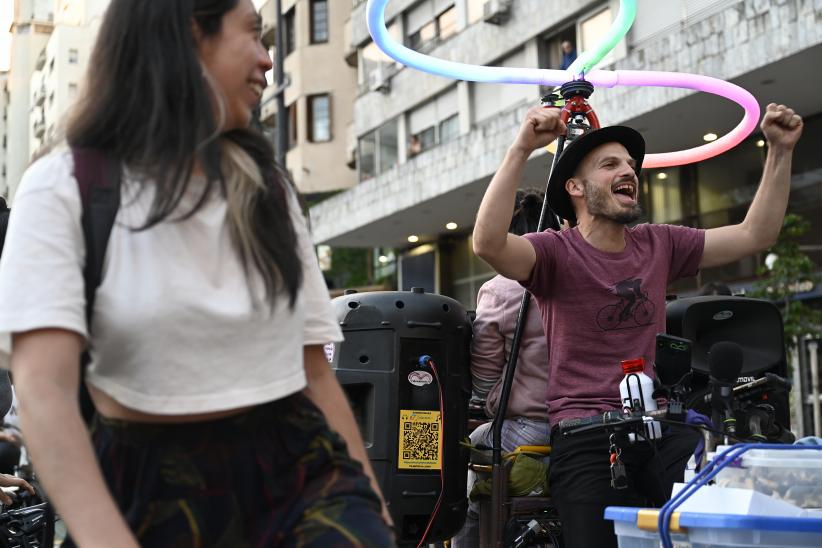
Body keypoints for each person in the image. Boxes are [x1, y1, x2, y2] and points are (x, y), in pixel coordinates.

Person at [0, 1, 393, 546]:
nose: (267, 60)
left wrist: (376, 518)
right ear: (189, 37)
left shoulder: (268, 187)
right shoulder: (63, 186)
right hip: (149, 494)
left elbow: (314, 371)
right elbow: (43, 390)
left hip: (301, 476)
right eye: (254, 36)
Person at [473, 102, 802, 547]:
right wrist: (522, 146)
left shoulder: (659, 242)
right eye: (610, 164)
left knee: (719, 519)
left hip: (657, 431)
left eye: (631, 164)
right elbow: (488, 242)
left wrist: (779, 151)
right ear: (575, 186)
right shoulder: (553, 252)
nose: (628, 170)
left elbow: (753, 236)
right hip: (583, 439)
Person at [452, 189, 551, 547]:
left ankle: (474, 533)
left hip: (529, 431)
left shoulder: (500, 289)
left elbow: (484, 378)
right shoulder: (580, 274)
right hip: (586, 428)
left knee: (462, 447)